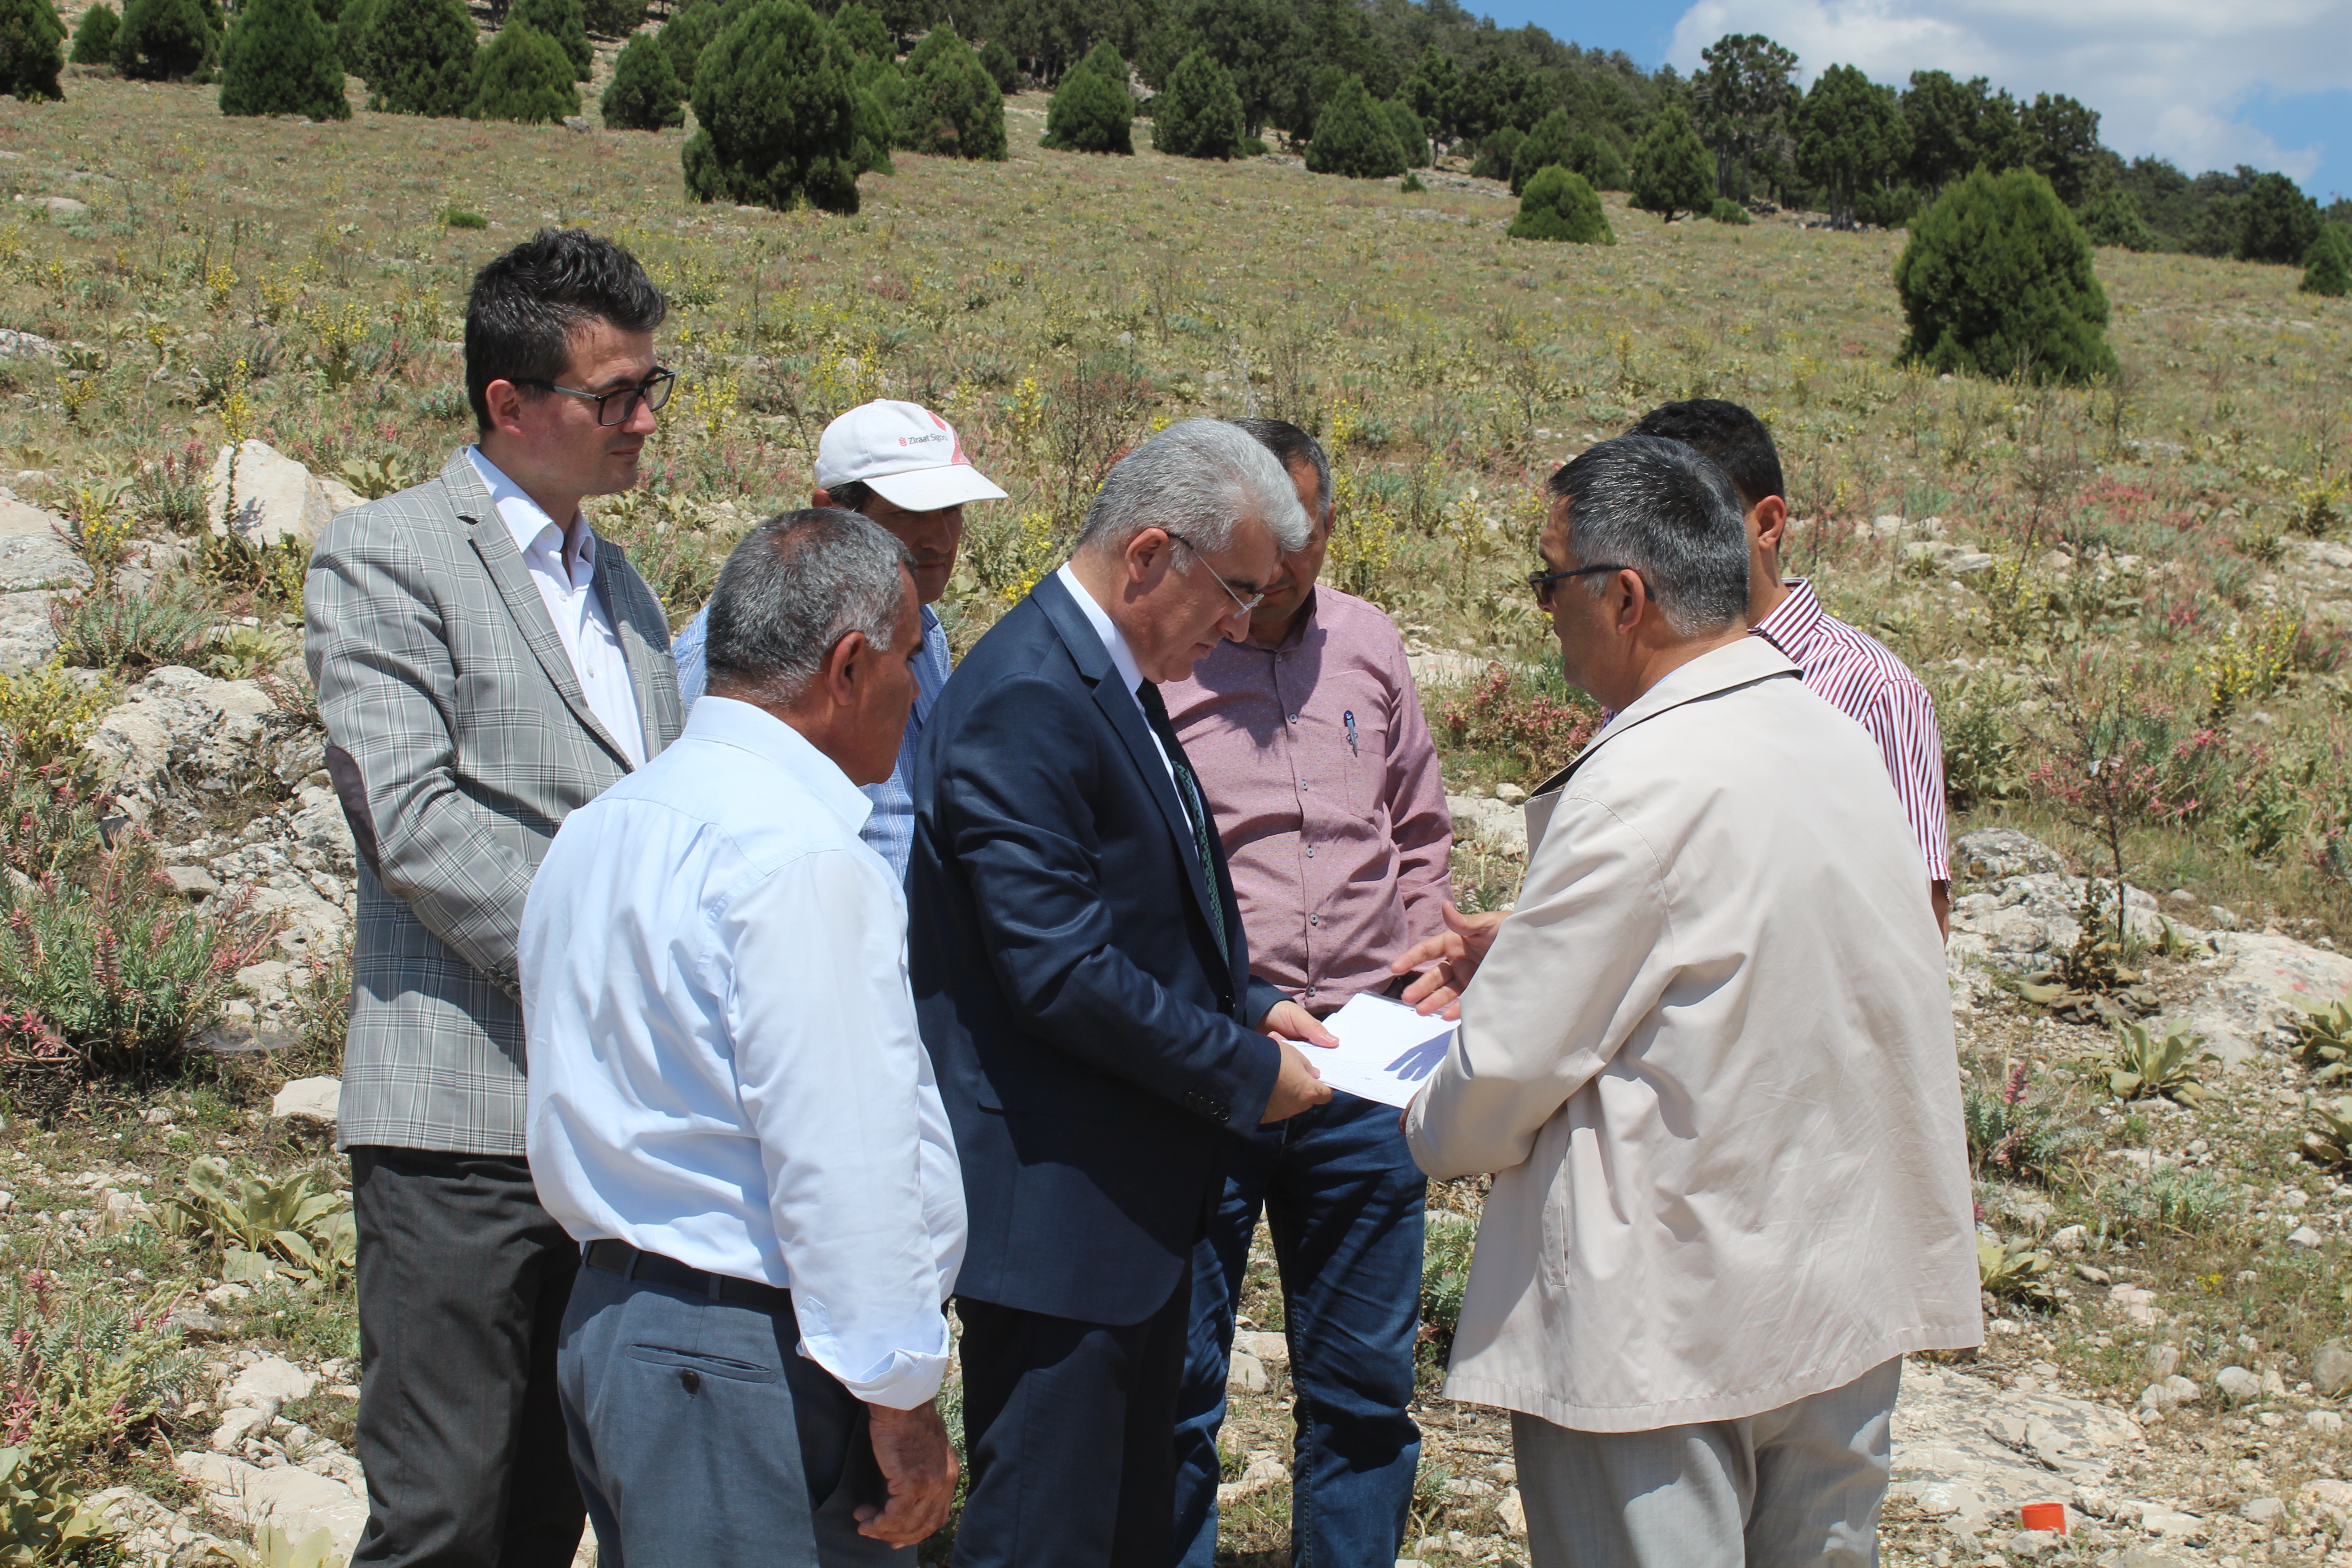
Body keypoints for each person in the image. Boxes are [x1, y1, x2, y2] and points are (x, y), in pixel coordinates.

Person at [1394, 436, 1980, 1568]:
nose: (1539, 609)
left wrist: (1428, 1114)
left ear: (1623, 596)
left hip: (1664, 1307)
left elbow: (1510, 1062)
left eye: (1546, 579)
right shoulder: (1835, 737)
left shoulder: (1641, 773)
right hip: (1839, 1281)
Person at [304, 228, 684, 1568]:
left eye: (653, 387)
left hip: (602, 1131)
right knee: (443, 1515)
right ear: (509, 406)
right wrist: (610, 957)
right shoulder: (388, 555)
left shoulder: (626, 592)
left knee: (545, 1507)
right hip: (458, 1118)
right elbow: (408, 819)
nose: (644, 419)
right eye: (613, 396)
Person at [908, 419, 1341, 1568]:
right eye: (1234, 591)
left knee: (1124, 1525)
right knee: (1047, 1532)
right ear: (1149, 554)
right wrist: (1248, 1072)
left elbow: (1145, 911)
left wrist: (1247, 1003)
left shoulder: (1111, 674)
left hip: (1129, 1204)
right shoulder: (1030, 695)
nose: (1243, 625)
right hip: (1059, 1218)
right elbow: (1059, 968)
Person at [521, 510, 965, 1566]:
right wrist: (899, 1389)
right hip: (747, 1354)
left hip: (619, 1324)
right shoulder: (800, 859)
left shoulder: (604, 825)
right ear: (848, 666)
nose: (917, 688)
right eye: (909, 657)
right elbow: (838, 1157)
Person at [1159, 419, 1451, 1568]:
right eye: (1261, 537)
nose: (1283, 562)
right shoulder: (1169, 656)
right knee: (1179, 1386)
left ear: (1330, 526)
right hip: (1218, 1057)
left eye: (1304, 531)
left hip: (1367, 1061)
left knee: (1367, 1387)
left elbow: (1418, 825)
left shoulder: (1370, 644)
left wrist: (1429, 959)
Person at [1630, 398, 1952, 935]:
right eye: (1648, 531)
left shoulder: (1873, 690)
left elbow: (1919, 919)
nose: (1668, 553)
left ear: (1769, 523)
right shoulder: (1644, 666)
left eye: (1693, 522)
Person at [670, 399, 1006, 878]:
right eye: (910, 513)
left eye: (952, 510)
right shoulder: (744, 647)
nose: (940, 539)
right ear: (830, 511)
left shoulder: (925, 634)